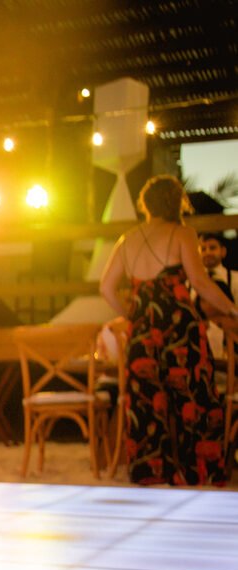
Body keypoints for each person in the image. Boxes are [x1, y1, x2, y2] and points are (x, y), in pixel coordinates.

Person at [98, 175, 238, 487]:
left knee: (148, 404)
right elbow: (200, 283)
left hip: (142, 334)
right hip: (180, 332)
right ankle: (194, 472)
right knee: (194, 401)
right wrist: (232, 310)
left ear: (145, 205)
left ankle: (150, 472)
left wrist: (132, 317)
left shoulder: (127, 239)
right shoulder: (182, 233)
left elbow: (106, 288)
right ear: (176, 202)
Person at [199, 233, 232, 301]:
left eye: (212, 248)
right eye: (203, 249)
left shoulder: (236, 279)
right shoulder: (190, 282)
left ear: (223, 251)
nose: (207, 253)